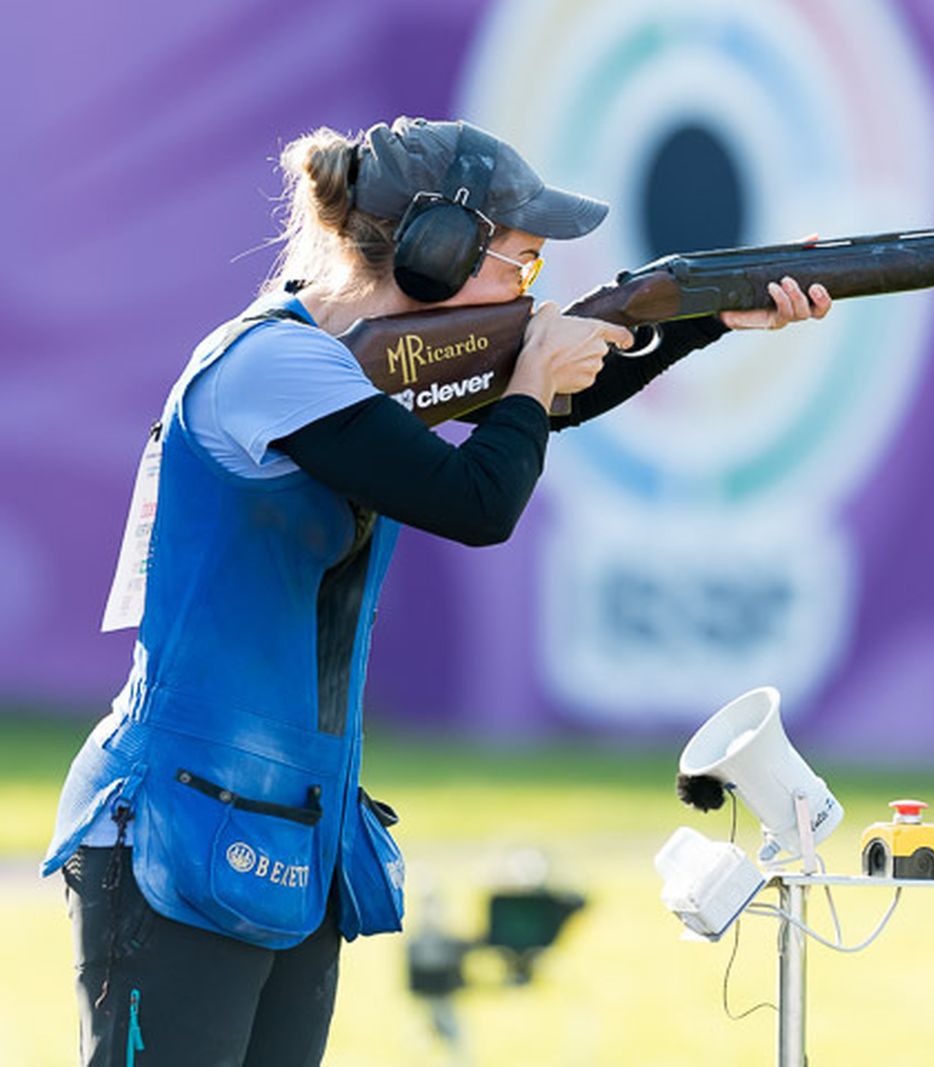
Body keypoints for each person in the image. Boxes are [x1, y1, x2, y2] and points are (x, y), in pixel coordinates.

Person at [41, 116, 831, 1067]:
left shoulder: (335, 370)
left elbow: (541, 407)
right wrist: (533, 384)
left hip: (286, 827)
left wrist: (706, 318)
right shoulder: (272, 368)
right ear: (434, 252)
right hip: (181, 827)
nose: (529, 297)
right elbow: (477, 495)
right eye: (519, 266)